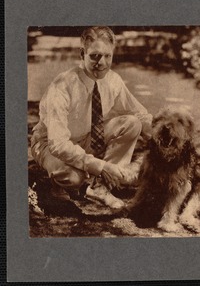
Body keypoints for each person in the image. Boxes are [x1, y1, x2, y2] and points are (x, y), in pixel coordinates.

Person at [31, 26, 152, 216]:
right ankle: (55, 186)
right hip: (49, 144)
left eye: (107, 56)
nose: (101, 62)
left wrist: (168, 136)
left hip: (87, 137)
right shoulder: (62, 85)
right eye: (95, 56)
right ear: (82, 53)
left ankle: (100, 187)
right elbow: (58, 144)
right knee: (74, 177)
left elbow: (140, 115)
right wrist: (101, 166)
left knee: (132, 123)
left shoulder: (113, 81)